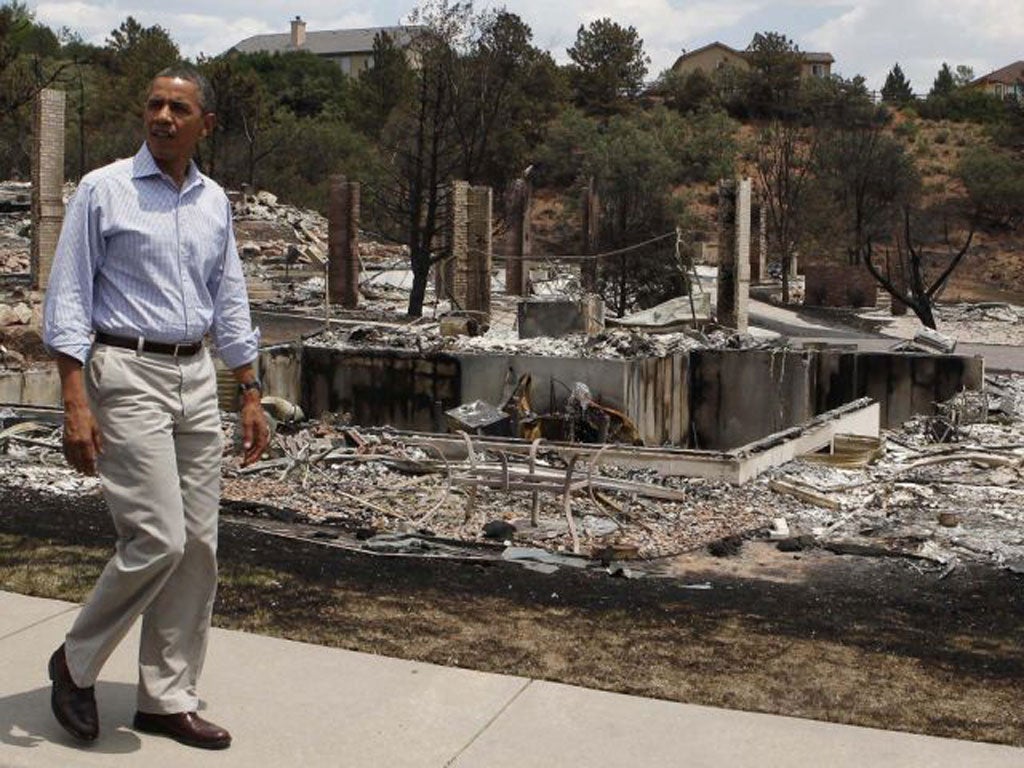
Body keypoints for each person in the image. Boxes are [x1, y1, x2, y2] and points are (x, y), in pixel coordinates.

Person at [41, 65, 270, 750]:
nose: (163, 117)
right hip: (125, 370)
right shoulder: (104, 190)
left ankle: (165, 698)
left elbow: (229, 300)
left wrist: (250, 389)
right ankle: (75, 661)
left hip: (195, 374)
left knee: (198, 547)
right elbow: (70, 301)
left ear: (206, 124)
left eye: (179, 108)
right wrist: (74, 403)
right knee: (158, 538)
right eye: (155, 105)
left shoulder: (213, 202)